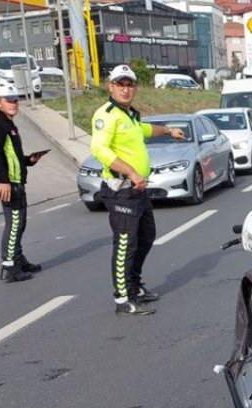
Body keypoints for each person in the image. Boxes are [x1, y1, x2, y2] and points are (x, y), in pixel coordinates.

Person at [89, 64, 187, 316]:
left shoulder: (130, 115)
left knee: (146, 237)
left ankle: (134, 285)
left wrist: (167, 130)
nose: (125, 89)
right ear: (111, 87)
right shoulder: (106, 115)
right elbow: (99, 149)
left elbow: (144, 130)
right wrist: (131, 172)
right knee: (125, 244)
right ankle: (123, 298)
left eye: (129, 84)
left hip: (139, 190)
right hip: (121, 188)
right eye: (120, 84)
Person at [0, 84, 45, 283]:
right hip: (7, 182)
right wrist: (4, 181)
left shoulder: (9, 125)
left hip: (15, 180)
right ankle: (9, 267)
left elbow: (13, 156)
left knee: (20, 223)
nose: (13, 104)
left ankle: (18, 260)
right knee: (14, 224)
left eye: (15, 100)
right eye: (8, 100)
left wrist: (29, 160)